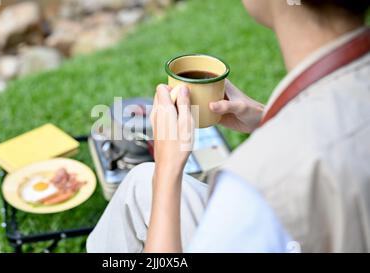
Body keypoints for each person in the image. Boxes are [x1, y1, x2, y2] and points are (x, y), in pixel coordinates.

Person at [87, 0, 370, 252]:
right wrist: (266, 118)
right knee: (140, 184)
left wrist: (168, 170)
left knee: (153, 185)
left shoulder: (255, 184)